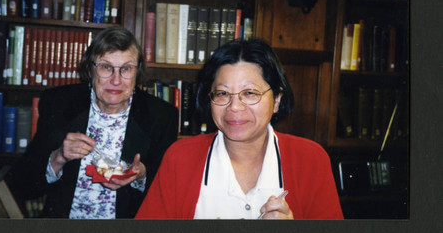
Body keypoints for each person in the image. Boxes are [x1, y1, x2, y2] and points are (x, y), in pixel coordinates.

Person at [135, 38, 343, 219]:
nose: (234, 107)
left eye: (250, 93)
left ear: (277, 100)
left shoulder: (310, 159)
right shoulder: (180, 157)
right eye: (223, 94)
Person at [6, 26, 178, 218]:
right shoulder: (59, 104)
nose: (116, 80)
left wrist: (141, 175)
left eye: (126, 69)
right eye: (106, 67)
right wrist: (58, 158)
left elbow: (171, 194)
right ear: (90, 69)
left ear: (137, 73)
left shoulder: (161, 116)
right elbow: (22, 184)